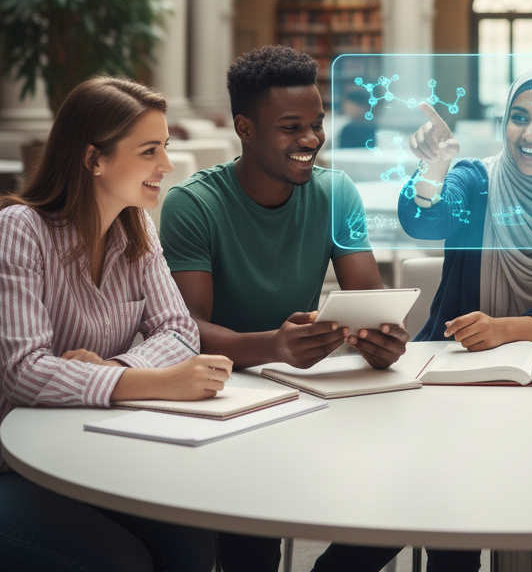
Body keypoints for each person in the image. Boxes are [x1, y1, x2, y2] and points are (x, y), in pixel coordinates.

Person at [360, 63, 532, 572]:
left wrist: (508, 329)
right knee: (450, 525)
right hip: (454, 380)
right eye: (519, 117)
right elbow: (424, 219)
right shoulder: (475, 180)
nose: (530, 133)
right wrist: (435, 168)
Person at [159, 46, 408, 572]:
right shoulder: (193, 204)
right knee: (252, 547)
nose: (312, 140)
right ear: (244, 128)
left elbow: (369, 306)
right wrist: (272, 345)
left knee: (405, 497)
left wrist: (382, 342)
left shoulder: (336, 193)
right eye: (292, 127)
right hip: (225, 405)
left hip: (307, 399)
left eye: (317, 124)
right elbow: (184, 334)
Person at [0, 77, 229, 572]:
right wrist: (149, 381)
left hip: (90, 449)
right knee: (121, 562)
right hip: (12, 464)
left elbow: (179, 330)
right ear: (94, 159)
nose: (166, 165)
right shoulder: (21, 230)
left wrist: (115, 367)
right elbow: (22, 372)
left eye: (164, 148)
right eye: (150, 151)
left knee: (193, 544)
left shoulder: (137, 226)